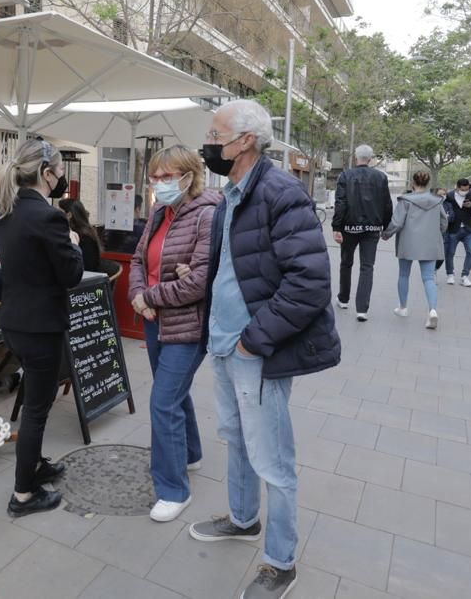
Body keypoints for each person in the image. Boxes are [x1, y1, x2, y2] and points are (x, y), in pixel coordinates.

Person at [189, 100, 341, 599]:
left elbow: (311, 283)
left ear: (246, 141)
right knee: (235, 438)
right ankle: (242, 518)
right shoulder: (230, 195)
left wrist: (255, 340)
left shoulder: (281, 192)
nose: (208, 144)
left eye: (216, 134)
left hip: (257, 351)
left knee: (272, 458)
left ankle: (281, 561)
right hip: (225, 346)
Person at [0, 138, 84, 517]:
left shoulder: (6, 213)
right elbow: (71, 275)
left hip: (13, 322)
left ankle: (35, 465)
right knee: (36, 410)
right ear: (46, 174)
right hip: (41, 327)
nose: (63, 178)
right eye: (60, 171)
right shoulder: (48, 217)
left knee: (33, 404)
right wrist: (74, 243)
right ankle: (23, 495)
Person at [128, 145, 219, 523]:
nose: (159, 183)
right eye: (155, 176)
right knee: (175, 396)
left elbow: (198, 281)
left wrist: (149, 296)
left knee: (163, 402)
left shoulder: (207, 215)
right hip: (153, 320)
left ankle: (172, 489)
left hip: (187, 327)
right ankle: (191, 453)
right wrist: (136, 295)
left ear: (188, 176)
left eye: (167, 177)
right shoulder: (159, 212)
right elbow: (137, 259)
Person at [331, 145, 393, 321]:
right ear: (371, 158)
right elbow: (387, 203)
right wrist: (386, 226)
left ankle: (343, 299)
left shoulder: (346, 175)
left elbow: (340, 202)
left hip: (349, 227)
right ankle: (362, 309)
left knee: (346, 262)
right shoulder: (381, 177)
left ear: (355, 157)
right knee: (367, 267)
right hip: (372, 229)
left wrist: (336, 227)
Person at [381, 172, 448, 329]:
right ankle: (432, 311)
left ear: (413, 182)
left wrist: (386, 234)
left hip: (408, 242)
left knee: (404, 274)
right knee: (429, 278)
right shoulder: (437, 201)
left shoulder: (405, 200)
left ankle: (403, 308)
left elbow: (397, 222)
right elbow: (444, 223)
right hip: (430, 243)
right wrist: (436, 234)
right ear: (427, 183)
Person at [443, 178, 471, 287]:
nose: (465, 191)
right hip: (453, 229)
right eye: (463, 189)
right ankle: (450, 274)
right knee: (450, 253)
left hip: (469, 229)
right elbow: (444, 208)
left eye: (467, 189)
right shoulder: (450, 196)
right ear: (458, 187)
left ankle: (465, 276)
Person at [58, 198, 101, 272]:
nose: (55, 215)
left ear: (69, 215)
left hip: (84, 279)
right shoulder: (84, 232)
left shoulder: (85, 237)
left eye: (58, 213)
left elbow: (86, 267)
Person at [433, 188, 452, 274]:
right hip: (432, 233)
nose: (442, 196)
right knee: (432, 254)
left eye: (444, 194)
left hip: (444, 233)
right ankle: (431, 272)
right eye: (440, 194)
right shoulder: (432, 204)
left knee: (442, 256)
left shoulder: (448, 205)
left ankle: (434, 269)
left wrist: (445, 218)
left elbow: (452, 216)